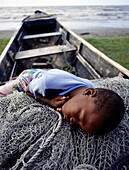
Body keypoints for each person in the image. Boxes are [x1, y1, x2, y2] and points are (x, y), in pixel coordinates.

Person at [0, 69, 125, 135]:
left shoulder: (89, 88)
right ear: (88, 93)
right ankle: (15, 79)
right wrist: (49, 101)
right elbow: (27, 90)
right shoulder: (47, 84)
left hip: (45, 74)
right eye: (78, 116)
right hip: (30, 79)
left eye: (77, 124)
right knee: (3, 93)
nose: (71, 122)